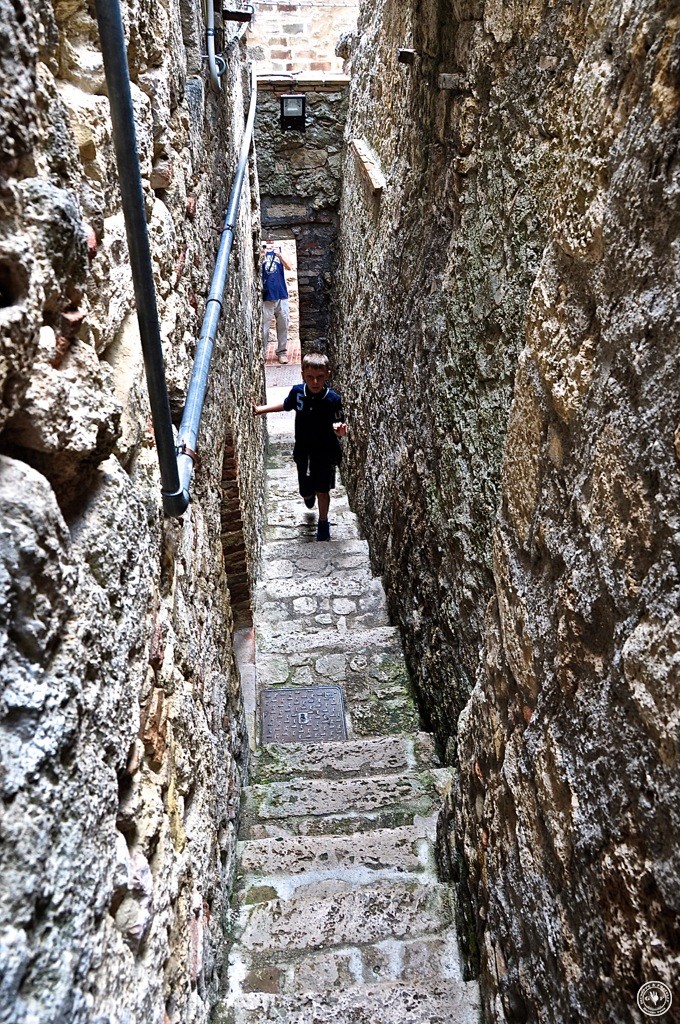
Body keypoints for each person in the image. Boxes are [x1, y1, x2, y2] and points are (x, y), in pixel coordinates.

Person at [254, 352, 347, 541]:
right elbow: (286, 405)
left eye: (320, 377)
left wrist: (341, 432)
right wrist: (262, 409)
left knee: (323, 490)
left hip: (326, 451)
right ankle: (308, 494)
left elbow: (340, 426)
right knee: (305, 491)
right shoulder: (298, 392)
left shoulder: (333, 399)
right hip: (303, 451)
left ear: (327, 375)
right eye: (310, 377)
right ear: (303, 374)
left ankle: (323, 523)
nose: (315, 382)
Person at [261, 239, 292, 364]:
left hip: (281, 294)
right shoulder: (261, 250)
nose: (270, 242)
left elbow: (289, 266)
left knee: (283, 323)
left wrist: (279, 255)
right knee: (264, 326)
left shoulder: (280, 250)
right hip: (266, 296)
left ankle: (282, 352)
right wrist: (262, 255)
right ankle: (262, 353)